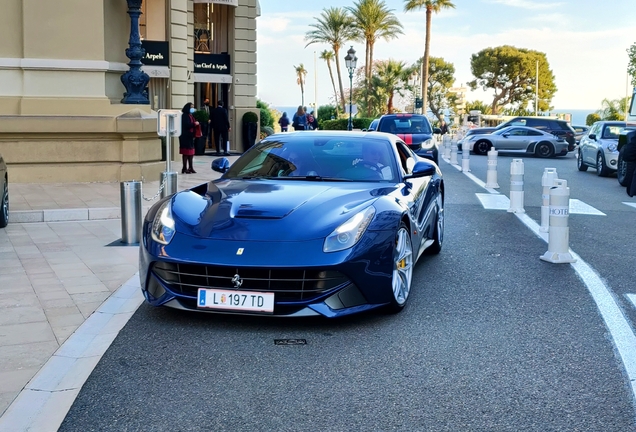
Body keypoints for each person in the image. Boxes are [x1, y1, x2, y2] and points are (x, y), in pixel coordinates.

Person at [179, 102, 199, 174]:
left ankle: (191, 167)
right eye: (191, 107)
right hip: (185, 136)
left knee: (191, 152)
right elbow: (186, 125)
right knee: (186, 153)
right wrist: (194, 124)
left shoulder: (191, 115)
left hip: (190, 136)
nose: (192, 109)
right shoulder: (184, 116)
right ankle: (184, 168)